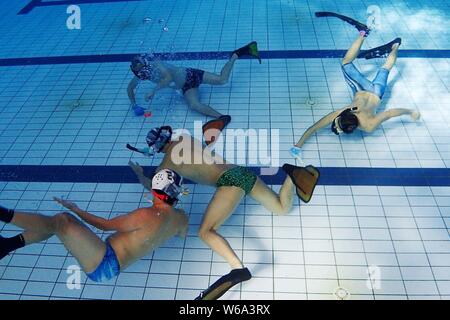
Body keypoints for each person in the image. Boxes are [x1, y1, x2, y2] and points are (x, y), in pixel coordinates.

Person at [127, 125, 319, 299]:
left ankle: (237, 269)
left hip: (229, 182)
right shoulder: (185, 138)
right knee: (282, 208)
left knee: (205, 231)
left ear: (156, 149)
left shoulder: (167, 166)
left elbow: (154, 186)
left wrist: (139, 173)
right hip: (241, 172)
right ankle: (294, 176)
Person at [0, 169, 188, 283]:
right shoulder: (180, 219)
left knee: (61, 221)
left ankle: (3, 215)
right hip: (110, 263)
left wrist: (76, 209)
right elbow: (182, 234)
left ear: (155, 191)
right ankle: (7, 245)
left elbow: (104, 226)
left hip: (104, 263)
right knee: (55, 227)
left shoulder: (144, 215)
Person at [290, 31, 421, 158]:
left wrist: (410, 111)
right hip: (362, 88)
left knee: (385, 68)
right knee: (346, 63)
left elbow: (390, 113)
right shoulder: (345, 111)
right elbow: (314, 127)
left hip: (377, 92)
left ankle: (395, 46)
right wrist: (297, 145)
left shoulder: (368, 126)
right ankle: (363, 34)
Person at [127, 41, 261, 119]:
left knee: (222, 80)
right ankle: (222, 118)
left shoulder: (156, 63)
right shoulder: (140, 76)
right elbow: (130, 88)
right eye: (140, 73)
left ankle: (236, 54)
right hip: (186, 87)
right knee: (194, 105)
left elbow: (168, 77)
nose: (143, 74)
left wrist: (153, 90)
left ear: (145, 64)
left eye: (143, 70)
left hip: (190, 74)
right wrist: (134, 105)